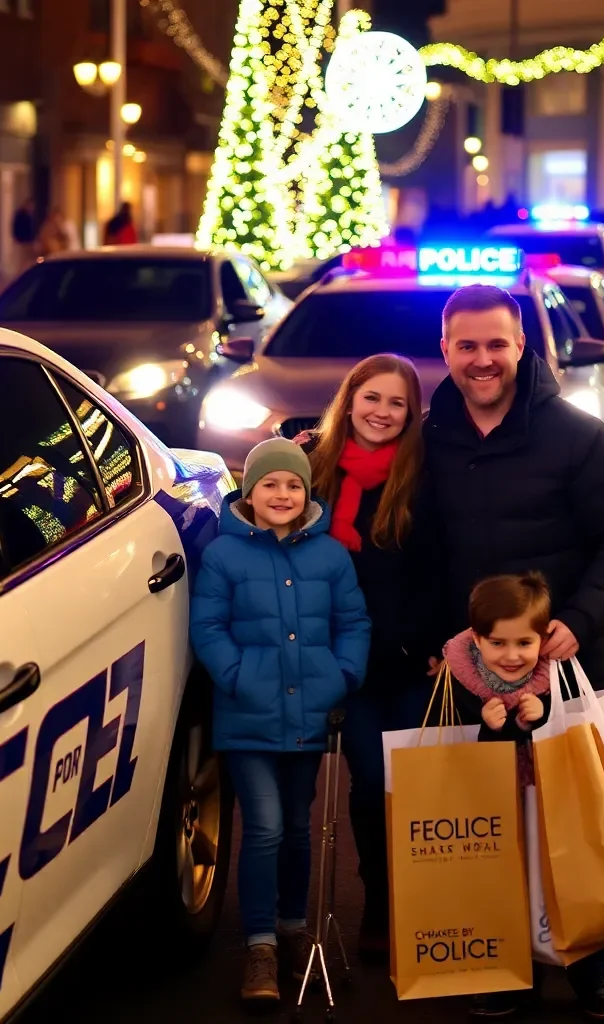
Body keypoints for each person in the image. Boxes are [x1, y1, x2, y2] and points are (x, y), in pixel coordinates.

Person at [424, 283, 604, 1020]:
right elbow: (408, 546)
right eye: (468, 345)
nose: (483, 359)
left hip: (571, 669)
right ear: (446, 350)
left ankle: (594, 967)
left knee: (578, 825)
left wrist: (579, 621)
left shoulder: (578, 436)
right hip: (471, 678)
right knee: (485, 832)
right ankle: (497, 962)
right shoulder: (426, 442)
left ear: (523, 346)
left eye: (497, 344)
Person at [189, 438, 371, 1005]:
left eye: (293, 484)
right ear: (249, 492)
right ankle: (261, 944)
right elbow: (209, 627)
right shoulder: (224, 554)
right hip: (248, 713)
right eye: (270, 484)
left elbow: (354, 622)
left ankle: (295, 927)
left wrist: (343, 675)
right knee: (263, 826)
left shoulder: (330, 556)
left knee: (299, 825)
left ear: (307, 492)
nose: (283, 494)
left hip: (311, 710)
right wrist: (238, 675)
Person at [294, 353, 438, 962]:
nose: (382, 412)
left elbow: (438, 567)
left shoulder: (422, 477)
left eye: (397, 403)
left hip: (404, 658)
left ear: (411, 414)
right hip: (340, 664)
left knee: (407, 788)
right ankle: (378, 902)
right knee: (371, 779)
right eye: (372, 398)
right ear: (349, 400)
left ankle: (409, 903)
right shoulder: (313, 470)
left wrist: (430, 640)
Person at [444, 572, 553, 767]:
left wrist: (540, 718)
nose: (512, 656)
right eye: (497, 643)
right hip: (484, 792)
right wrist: (489, 728)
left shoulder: (553, 681)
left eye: (524, 643)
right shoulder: (458, 684)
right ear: (477, 640)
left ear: (542, 641)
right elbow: (453, 752)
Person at [12, 198, 37, 271]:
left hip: (28, 242)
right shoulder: (22, 216)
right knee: (22, 261)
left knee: (28, 261)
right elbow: (18, 229)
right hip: (23, 242)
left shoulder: (29, 216)